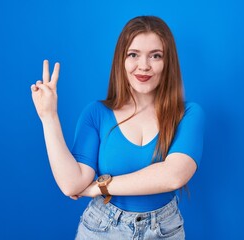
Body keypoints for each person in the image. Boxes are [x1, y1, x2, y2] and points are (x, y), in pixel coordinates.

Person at [31, 16, 204, 240]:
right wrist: (49, 116)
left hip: (164, 230)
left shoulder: (188, 114)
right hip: (101, 229)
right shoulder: (96, 113)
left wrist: (100, 187)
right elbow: (71, 184)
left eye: (156, 56)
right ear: (121, 60)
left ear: (168, 62)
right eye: (134, 54)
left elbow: (174, 176)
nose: (144, 66)